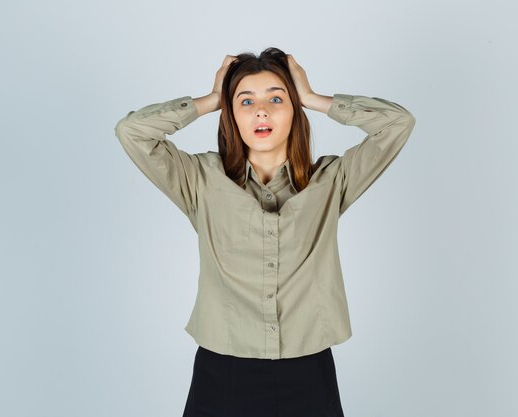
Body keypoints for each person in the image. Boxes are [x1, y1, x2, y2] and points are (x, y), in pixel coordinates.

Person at [114, 47, 416, 417]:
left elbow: (397, 124)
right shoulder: (201, 180)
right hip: (221, 373)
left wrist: (313, 98)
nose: (262, 110)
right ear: (231, 114)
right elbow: (131, 132)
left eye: (277, 98)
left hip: (308, 371)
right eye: (245, 101)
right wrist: (211, 99)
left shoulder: (331, 181)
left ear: (294, 111)